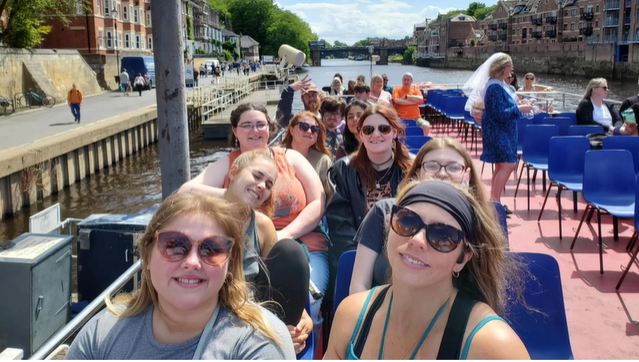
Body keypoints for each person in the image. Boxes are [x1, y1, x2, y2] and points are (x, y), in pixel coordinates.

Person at [66, 190, 296, 359]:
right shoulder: (102, 334)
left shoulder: (258, 344)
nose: (193, 262)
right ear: (147, 256)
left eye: (212, 248)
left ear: (230, 263)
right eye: (175, 245)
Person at [324, 180, 529, 360]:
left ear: (462, 258)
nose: (417, 240)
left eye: (442, 236)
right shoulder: (351, 315)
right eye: (406, 222)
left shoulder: (492, 345)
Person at [180, 103, 326, 342]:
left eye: (260, 124)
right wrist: (236, 197)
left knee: (309, 299)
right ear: (235, 131)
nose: (255, 130)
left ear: (269, 129)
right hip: (237, 296)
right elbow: (186, 191)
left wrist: (286, 233)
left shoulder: (288, 157)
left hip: (298, 239)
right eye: (246, 125)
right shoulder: (230, 167)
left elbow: (318, 201)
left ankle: (308, 335)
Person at [350, 137, 492, 294]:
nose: (442, 174)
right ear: (418, 172)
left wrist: (465, 207)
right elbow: (359, 285)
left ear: (467, 175)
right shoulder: (385, 211)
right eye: (432, 166)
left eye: (453, 168)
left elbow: (481, 290)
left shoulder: (477, 224)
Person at [224, 150, 313, 354]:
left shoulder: (262, 226)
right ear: (233, 172)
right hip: (218, 310)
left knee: (291, 251)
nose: (262, 186)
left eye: (269, 184)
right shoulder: (204, 218)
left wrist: (301, 315)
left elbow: (275, 280)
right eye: (256, 176)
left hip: (256, 311)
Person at [325, 104, 412, 306]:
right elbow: (340, 224)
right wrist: (365, 257)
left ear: (395, 133)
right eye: (368, 129)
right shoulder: (342, 170)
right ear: (360, 135)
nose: (376, 135)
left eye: (383, 129)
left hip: (401, 250)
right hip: (355, 250)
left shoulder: (411, 171)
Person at [463, 53, 532, 213]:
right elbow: (498, 113)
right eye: (510, 66)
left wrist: (520, 103)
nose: (512, 69)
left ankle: (494, 201)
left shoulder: (501, 85)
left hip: (504, 131)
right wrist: (519, 109)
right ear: (502, 68)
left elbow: (505, 106)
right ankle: (495, 202)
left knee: (501, 165)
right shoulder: (493, 87)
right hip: (497, 130)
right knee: (508, 164)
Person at [281, 111, 333, 199]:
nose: (309, 131)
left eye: (315, 129)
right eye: (304, 126)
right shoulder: (275, 155)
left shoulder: (323, 160)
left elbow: (330, 196)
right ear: (292, 130)